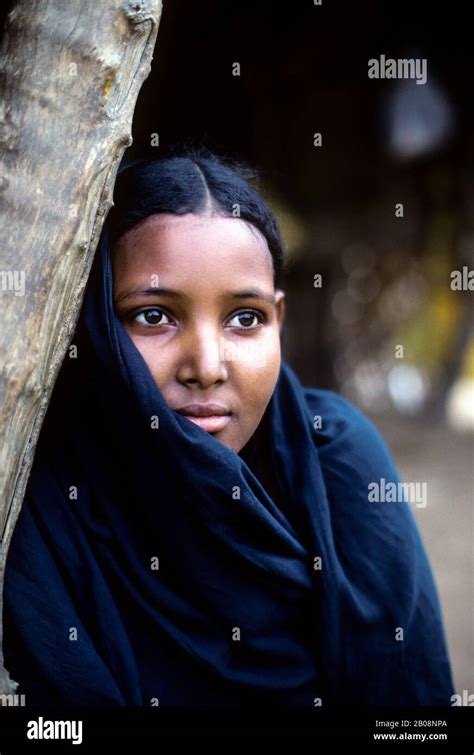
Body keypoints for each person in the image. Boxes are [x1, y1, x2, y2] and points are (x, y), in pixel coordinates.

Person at [2, 147, 454, 707]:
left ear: (278, 321)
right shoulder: (39, 497)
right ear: (95, 323)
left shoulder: (337, 458)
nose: (207, 367)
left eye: (246, 318)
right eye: (154, 315)